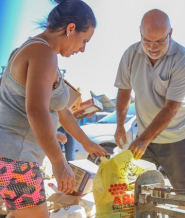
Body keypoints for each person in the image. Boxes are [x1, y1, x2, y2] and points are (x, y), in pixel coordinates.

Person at [0, 1, 107, 217]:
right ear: (70, 29)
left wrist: (85, 142)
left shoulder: (38, 50)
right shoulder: (43, 53)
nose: (83, 49)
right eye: (84, 40)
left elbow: (61, 111)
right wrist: (59, 163)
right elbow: (36, 111)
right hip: (16, 158)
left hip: (13, 155)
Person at [114, 9, 185, 203]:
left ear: (171, 33)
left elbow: (170, 108)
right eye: (147, 41)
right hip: (145, 138)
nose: (152, 47)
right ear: (140, 33)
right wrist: (119, 126)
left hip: (178, 138)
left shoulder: (182, 60)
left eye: (159, 41)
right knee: (141, 195)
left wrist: (143, 140)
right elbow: (124, 91)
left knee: (184, 197)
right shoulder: (130, 54)